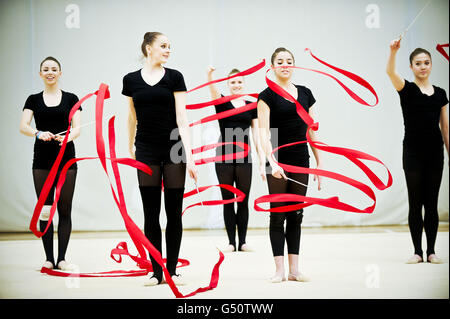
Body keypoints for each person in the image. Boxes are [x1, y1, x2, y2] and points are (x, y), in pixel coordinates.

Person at [123, 32, 198, 286]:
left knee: (173, 212)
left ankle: (173, 269)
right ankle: (156, 270)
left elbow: (182, 118)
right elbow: (131, 116)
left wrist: (191, 155)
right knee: (151, 212)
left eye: (169, 46)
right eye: (163, 46)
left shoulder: (175, 77)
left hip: (174, 149)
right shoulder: (130, 80)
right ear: (148, 48)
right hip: (145, 150)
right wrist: (129, 146)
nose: (167, 50)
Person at [257, 47, 322, 283]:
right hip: (275, 159)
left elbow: (311, 130)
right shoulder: (266, 95)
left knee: (296, 213)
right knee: (277, 215)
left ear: (294, 65)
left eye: (289, 61)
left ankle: (295, 269)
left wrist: (318, 162)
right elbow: (263, 133)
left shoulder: (305, 93)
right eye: (280, 61)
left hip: (300, 159)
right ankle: (279, 271)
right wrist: (271, 162)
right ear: (273, 66)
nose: (285, 65)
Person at [386, 38, 449, 264]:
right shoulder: (407, 89)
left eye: (427, 63)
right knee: (416, 202)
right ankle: (417, 251)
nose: (423, 67)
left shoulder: (441, 93)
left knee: (431, 203)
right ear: (411, 67)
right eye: (418, 63)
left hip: (435, 153)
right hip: (412, 152)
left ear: (431, 65)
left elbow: (446, 129)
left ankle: (431, 251)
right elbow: (390, 72)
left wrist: (449, 155)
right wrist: (393, 51)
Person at [19, 56, 82, 271]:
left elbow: (77, 129)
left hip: (67, 161)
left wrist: (67, 137)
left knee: (65, 209)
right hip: (42, 161)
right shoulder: (33, 100)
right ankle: (48, 258)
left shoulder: (72, 98)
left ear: (60, 73)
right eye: (45, 69)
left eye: (54, 69)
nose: (50, 72)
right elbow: (23, 126)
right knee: (45, 209)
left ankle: (62, 258)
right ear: (40, 74)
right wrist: (38, 133)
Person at [206, 66, 265, 253]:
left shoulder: (251, 104)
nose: (236, 85)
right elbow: (212, 90)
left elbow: (256, 134)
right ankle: (232, 242)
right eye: (233, 82)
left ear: (244, 83)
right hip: (223, 157)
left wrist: (262, 160)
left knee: (243, 200)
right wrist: (210, 75)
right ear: (228, 84)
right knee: (227, 200)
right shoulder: (222, 102)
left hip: (244, 158)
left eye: (239, 82)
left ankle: (243, 242)